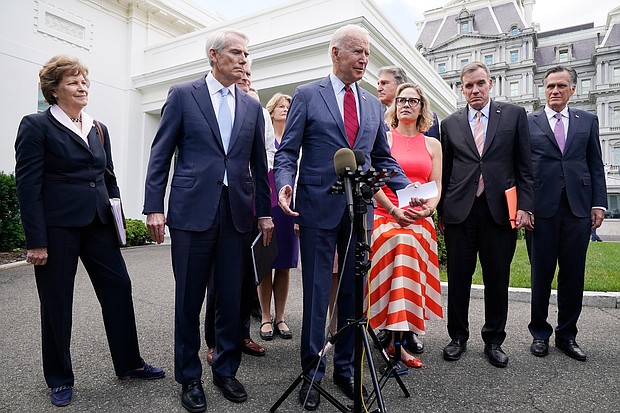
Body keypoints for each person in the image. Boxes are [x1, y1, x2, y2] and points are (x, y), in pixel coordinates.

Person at [14, 55, 164, 408]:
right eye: (72, 81)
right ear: (54, 90)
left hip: (98, 224)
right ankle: (59, 377)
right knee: (56, 302)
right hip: (58, 228)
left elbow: (108, 176)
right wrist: (36, 240)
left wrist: (119, 219)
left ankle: (129, 364)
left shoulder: (98, 128)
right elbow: (28, 185)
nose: (82, 86)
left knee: (119, 289)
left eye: (84, 81)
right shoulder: (36, 126)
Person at [274, 24, 411, 410]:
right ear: (335, 53)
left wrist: (411, 190)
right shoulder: (306, 96)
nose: (363, 59)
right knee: (318, 294)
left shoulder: (371, 104)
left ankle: (346, 370)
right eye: (356, 52)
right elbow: (287, 152)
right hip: (317, 208)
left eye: (367, 53)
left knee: (354, 296)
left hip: (360, 210)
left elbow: (382, 158)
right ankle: (312, 375)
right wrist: (285, 183)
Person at [143, 30, 273, 412]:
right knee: (189, 298)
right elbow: (160, 153)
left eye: (247, 54)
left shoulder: (251, 107)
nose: (243, 59)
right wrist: (154, 205)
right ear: (213, 55)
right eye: (236, 52)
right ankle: (189, 377)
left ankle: (225, 369)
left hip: (237, 213)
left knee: (231, 297)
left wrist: (263, 212)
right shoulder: (183, 95)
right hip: (191, 211)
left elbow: (258, 164)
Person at [438, 61, 534, 368]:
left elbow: (524, 166)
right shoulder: (450, 123)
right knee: (458, 278)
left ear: (490, 83)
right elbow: (447, 170)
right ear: (461, 88)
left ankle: (494, 340)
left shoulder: (514, 115)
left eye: (480, 83)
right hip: (460, 213)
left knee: (497, 279)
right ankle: (457, 337)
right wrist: (442, 211)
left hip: (498, 212)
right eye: (468, 85)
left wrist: (524, 206)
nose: (475, 90)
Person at [526, 65, 607, 361]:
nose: (554, 91)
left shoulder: (587, 120)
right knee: (540, 275)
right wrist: (525, 206)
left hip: (578, 209)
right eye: (549, 86)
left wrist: (598, 203)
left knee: (573, 275)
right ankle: (539, 334)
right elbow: (522, 168)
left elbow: (595, 164)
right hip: (540, 209)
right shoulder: (529, 121)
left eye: (561, 86)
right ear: (543, 90)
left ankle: (567, 335)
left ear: (572, 89)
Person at [366, 83, 443, 368]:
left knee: (410, 241)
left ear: (422, 107)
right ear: (394, 106)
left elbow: (436, 187)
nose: (406, 105)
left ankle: (397, 338)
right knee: (401, 243)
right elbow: (372, 181)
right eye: (401, 100)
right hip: (384, 213)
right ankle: (395, 342)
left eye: (413, 100)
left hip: (420, 217)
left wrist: (428, 210)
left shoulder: (433, 144)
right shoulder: (383, 138)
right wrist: (392, 209)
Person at [203, 62, 274, 365]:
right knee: (218, 279)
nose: (244, 79)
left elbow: (265, 156)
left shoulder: (257, 111)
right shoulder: (217, 105)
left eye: (248, 77)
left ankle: (242, 333)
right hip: (219, 201)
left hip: (250, 201)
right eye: (241, 75)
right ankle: (214, 340)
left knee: (247, 275)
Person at [258, 93, 299, 341]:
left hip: (290, 204)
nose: (285, 109)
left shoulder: (296, 139)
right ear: (271, 111)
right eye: (281, 106)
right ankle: (264, 316)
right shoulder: (264, 135)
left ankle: (280, 317)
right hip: (268, 199)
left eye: (288, 107)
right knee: (265, 263)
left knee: (284, 264)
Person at [377, 65, 440, 139]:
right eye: (378, 84)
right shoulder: (377, 117)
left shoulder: (429, 118)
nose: (379, 89)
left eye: (384, 83)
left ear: (401, 85)